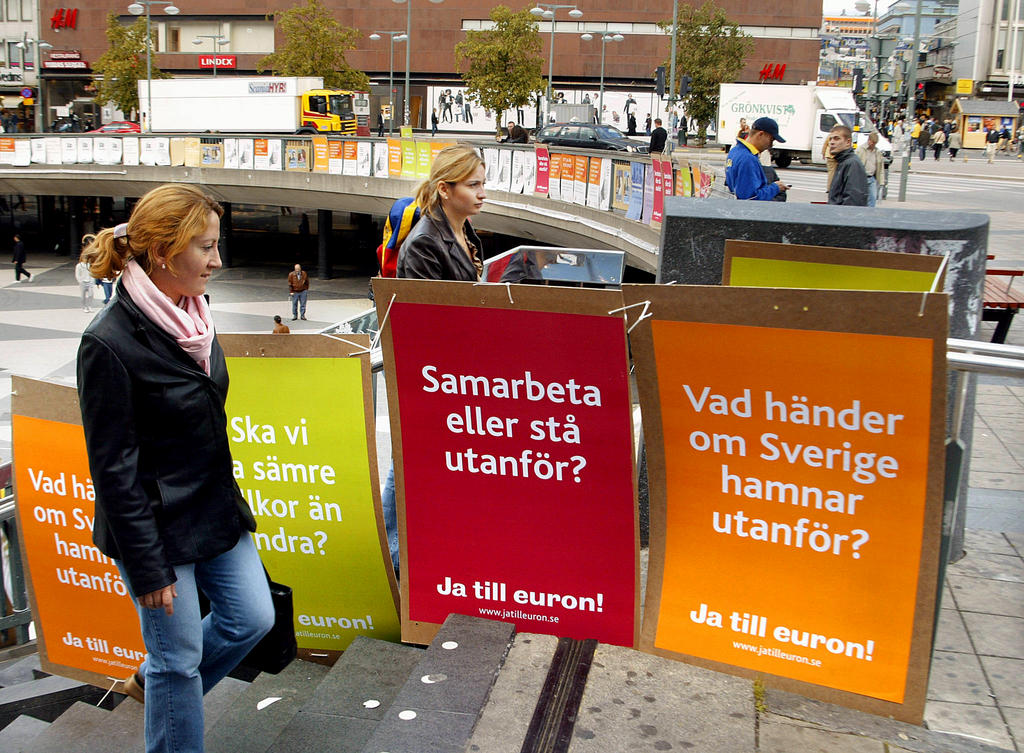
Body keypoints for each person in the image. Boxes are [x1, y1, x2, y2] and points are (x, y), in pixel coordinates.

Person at [76, 184, 274, 753]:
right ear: (163, 251)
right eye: (206, 247)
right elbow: (114, 471)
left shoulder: (196, 318)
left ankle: (159, 685)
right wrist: (147, 567)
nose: (218, 260)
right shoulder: (108, 342)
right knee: (178, 659)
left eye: (216, 245)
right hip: (158, 531)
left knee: (251, 620)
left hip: (214, 510)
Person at [378, 146, 486, 573]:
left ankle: (414, 549)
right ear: (445, 189)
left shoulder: (464, 231)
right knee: (405, 464)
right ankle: (394, 557)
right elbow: (427, 324)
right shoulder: (425, 243)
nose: (483, 194)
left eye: (483, 183)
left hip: (456, 374)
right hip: (431, 377)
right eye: (473, 185)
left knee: (414, 464)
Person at [724, 116, 788, 201]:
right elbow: (750, 198)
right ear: (761, 134)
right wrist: (775, 188)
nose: (771, 145)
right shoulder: (748, 159)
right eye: (771, 140)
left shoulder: (735, 151)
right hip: (747, 212)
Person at [827, 125, 868, 206]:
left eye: (837, 138)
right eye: (830, 139)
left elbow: (854, 199)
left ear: (848, 142)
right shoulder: (843, 162)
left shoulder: (852, 163)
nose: (831, 142)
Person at [857, 131, 886, 207]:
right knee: (861, 199)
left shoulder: (877, 152)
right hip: (862, 178)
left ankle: (870, 213)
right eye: (872, 142)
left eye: (875, 143)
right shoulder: (861, 149)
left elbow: (881, 169)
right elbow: (855, 164)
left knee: (872, 198)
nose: (873, 145)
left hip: (872, 178)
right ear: (869, 140)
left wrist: (881, 182)